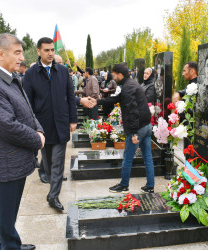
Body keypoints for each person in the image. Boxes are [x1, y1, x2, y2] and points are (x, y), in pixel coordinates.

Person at [0, 33, 44, 250]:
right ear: (0, 53)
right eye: (17, 52)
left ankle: (10, 243)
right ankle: (9, 246)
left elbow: (27, 110)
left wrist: (39, 129)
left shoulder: (10, 77)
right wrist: (36, 138)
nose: (21, 57)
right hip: (6, 161)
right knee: (6, 215)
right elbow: (7, 125)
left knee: (10, 212)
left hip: (17, 158)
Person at [23, 37, 77, 211]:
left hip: (60, 124)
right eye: (46, 50)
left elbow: (70, 96)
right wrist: (32, 126)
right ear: (39, 51)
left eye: (52, 50)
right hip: (42, 126)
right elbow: (27, 102)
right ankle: (52, 192)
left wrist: (73, 119)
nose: (50, 53)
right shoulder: (31, 74)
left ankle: (53, 196)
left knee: (58, 162)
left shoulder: (62, 71)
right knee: (47, 162)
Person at [87, 64, 154, 194]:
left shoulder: (128, 87)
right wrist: (98, 102)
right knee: (148, 157)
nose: (113, 76)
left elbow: (133, 111)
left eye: (114, 74)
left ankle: (124, 185)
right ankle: (150, 186)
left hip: (138, 128)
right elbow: (117, 98)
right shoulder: (130, 84)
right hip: (146, 126)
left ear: (120, 74)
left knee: (127, 157)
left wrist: (134, 132)